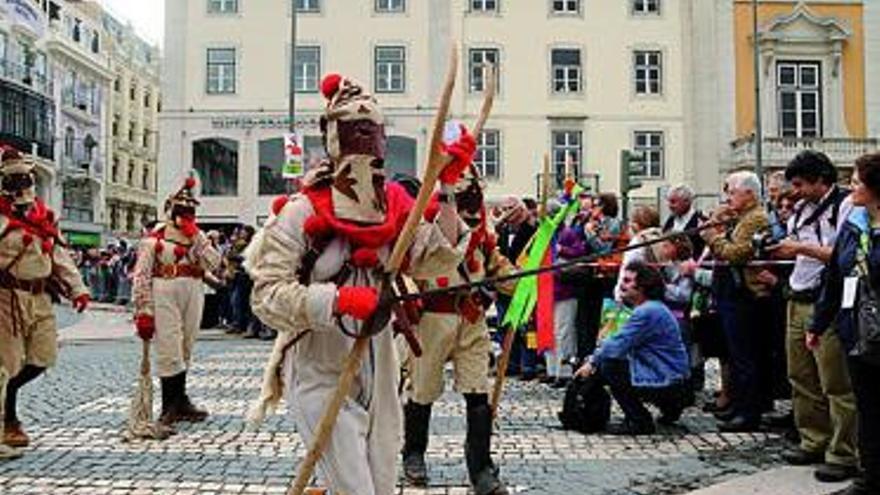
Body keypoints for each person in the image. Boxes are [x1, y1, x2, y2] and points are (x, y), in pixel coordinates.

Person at [245, 74, 469, 495]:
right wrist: (337, 299)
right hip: (319, 367)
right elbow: (266, 297)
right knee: (356, 490)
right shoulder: (298, 213)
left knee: (381, 487)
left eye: (373, 129)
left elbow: (435, 259)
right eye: (355, 129)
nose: (366, 139)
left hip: (381, 366)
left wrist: (449, 187)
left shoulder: (395, 210)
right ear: (332, 135)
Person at [402, 162, 514, 494]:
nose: (472, 201)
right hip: (432, 318)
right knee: (422, 390)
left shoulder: (485, 229)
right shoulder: (427, 224)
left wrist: (526, 276)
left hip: (472, 318)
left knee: (477, 392)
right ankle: (413, 454)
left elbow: (495, 264)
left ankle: (480, 467)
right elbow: (410, 269)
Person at [766, 150, 858, 483]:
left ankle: (843, 451)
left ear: (822, 179)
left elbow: (844, 255)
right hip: (798, 295)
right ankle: (813, 439)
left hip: (826, 300)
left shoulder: (846, 206)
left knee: (835, 381)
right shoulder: (801, 210)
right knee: (801, 376)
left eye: (801, 184)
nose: (796, 191)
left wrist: (799, 249)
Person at [0, 146, 90, 455]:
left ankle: (8, 396)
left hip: (39, 296)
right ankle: (8, 421)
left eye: (25, 178)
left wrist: (78, 288)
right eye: (14, 180)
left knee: (43, 356)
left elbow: (58, 255)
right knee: (6, 362)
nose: (22, 185)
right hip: (6, 296)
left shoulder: (43, 217)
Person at [809, 152, 880, 495]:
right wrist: (818, 323)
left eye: (856, 180)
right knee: (867, 405)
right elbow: (835, 278)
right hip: (857, 331)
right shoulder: (854, 225)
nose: (850, 185)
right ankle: (870, 476)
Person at [131, 176, 222, 426]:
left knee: (186, 346)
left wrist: (197, 238)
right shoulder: (154, 239)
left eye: (190, 211)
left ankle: (181, 400)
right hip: (164, 289)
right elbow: (141, 275)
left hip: (193, 290)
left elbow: (214, 263)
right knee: (169, 345)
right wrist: (144, 310)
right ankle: (169, 404)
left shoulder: (197, 238)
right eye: (181, 210)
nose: (186, 215)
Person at [575, 261, 689, 435]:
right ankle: (671, 407)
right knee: (613, 362)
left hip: (667, 379)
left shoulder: (646, 312)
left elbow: (615, 346)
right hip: (674, 375)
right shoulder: (654, 308)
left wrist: (591, 362)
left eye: (628, 281)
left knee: (609, 365)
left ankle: (639, 420)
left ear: (643, 286)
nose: (622, 284)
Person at [700, 170, 771, 432]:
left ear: (750, 194)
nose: (728, 197)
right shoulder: (741, 218)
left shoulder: (755, 219)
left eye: (732, 192)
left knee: (745, 356)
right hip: (730, 292)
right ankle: (739, 404)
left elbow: (736, 253)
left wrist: (713, 237)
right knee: (734, 352)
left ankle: (749, 410)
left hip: (744, 295)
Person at [663, 184, 707, 258]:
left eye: (673, 202)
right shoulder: (670, 220)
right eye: (669, 202)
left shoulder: (700, 220)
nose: (670, 206)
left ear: (686, 201)